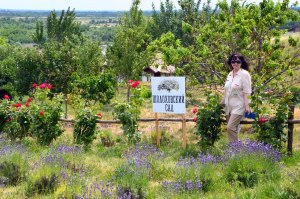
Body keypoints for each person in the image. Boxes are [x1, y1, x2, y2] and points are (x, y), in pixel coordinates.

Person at [221, 53, 251, 142]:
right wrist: (222, 100)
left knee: (230, 127)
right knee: (233, 129)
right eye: (233, 61)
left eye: (238, 61)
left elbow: (247, 91)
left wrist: (247, 106)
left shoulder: (245, 74)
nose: (235, 63)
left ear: (241, 62)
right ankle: (234, 151)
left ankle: (235, 149)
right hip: (228, 106)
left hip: (239, 106)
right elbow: (227, 89)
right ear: (230, 63)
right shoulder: (230, 74)